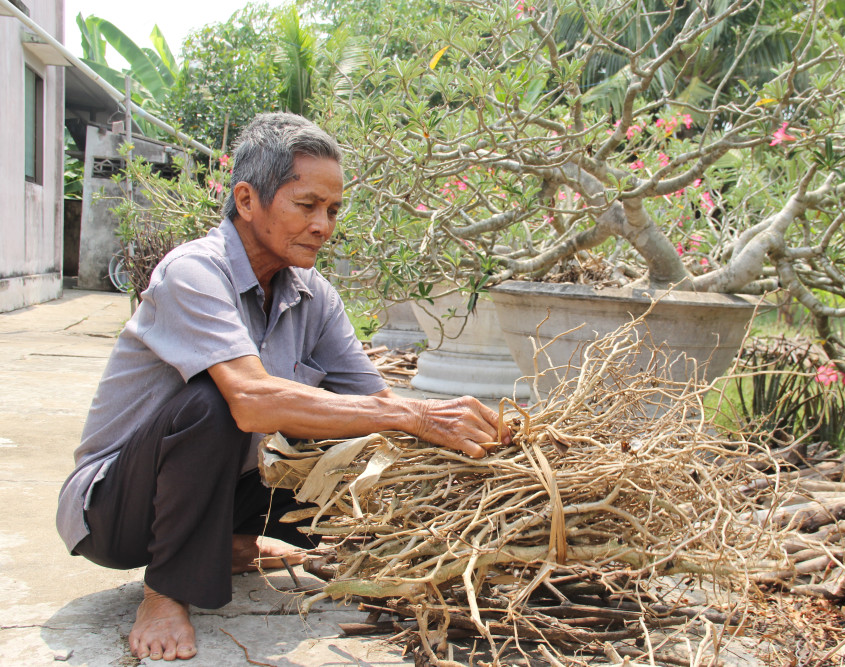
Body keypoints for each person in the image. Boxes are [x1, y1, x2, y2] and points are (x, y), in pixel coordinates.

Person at [56, 112, 510, 662]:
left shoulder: (314, 296)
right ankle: (166, 590)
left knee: (351, 429)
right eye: (307, 205)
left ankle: (226, 543)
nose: (324, 225)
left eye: (333, 210)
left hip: (222, 489)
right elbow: (248, 400)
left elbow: (380, 407)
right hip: (114, 511)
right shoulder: (194, 272)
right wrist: (412, 415)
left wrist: (462, 443)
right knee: (217, 403)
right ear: (247, 201)